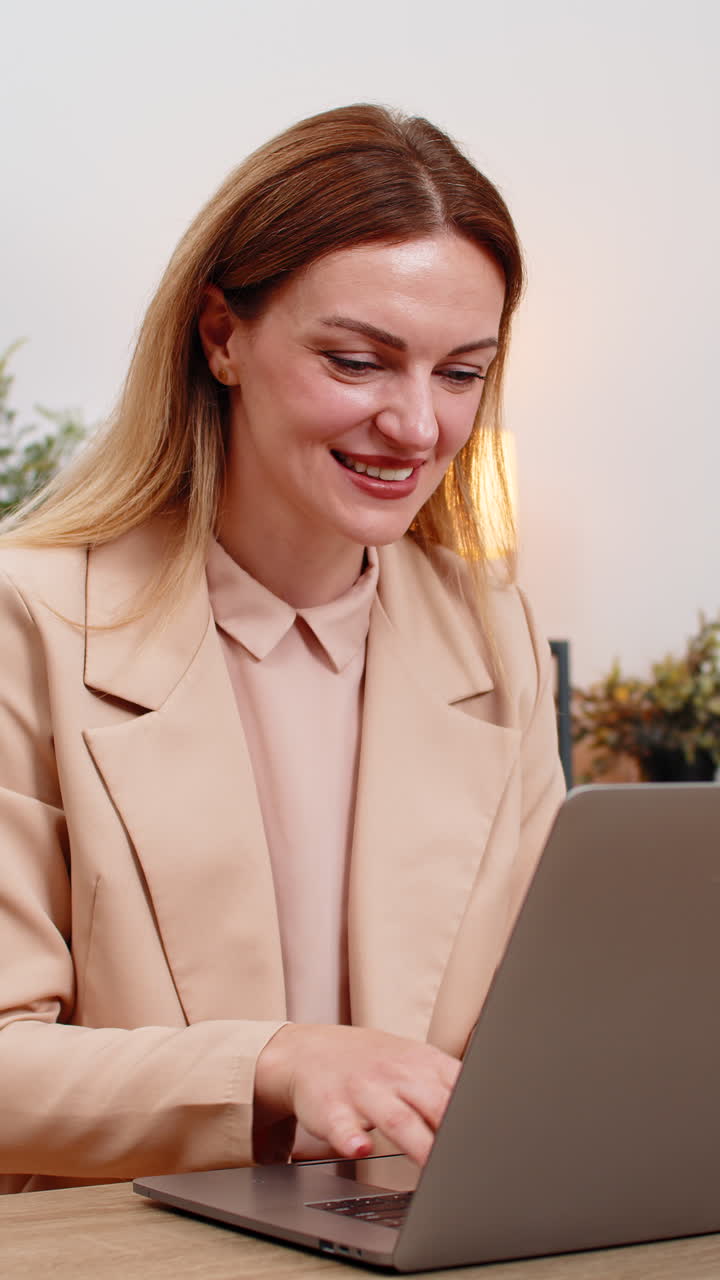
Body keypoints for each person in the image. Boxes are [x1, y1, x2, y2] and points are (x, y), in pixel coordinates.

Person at [0, 103, 565, 1194]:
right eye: (358, 362)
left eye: (460, 373)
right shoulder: (27, 617)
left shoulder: (495, 634)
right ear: (222, 336)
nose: (418, 427)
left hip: (410, 1242)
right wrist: (273, 1062)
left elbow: (546, 1023)